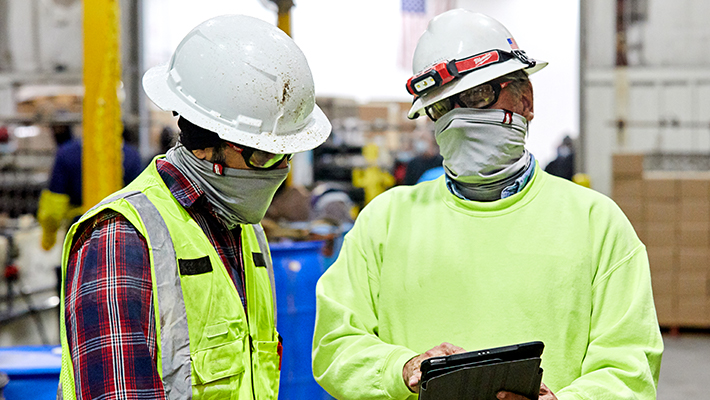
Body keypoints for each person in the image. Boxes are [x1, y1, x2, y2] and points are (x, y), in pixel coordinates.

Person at [312, 9, 662, 400]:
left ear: (526, 99)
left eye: (477, 96)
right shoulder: (385, 221)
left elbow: (631, 365)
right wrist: (402, 369)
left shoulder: (597, 224)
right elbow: (334, 344)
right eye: (442, 107)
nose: (459, 118)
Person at [57, 15, 331, 400]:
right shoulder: (122, 240)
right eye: (264, 156)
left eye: (285, 155)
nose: (281, 171)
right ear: (206, 144)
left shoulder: (244, 231)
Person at [37, 123, 143, 251]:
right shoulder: (132, 156)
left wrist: (48, 239)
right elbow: (139, 203)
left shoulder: (67, 154)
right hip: (120, 233)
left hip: (79, 230)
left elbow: (53, 210)